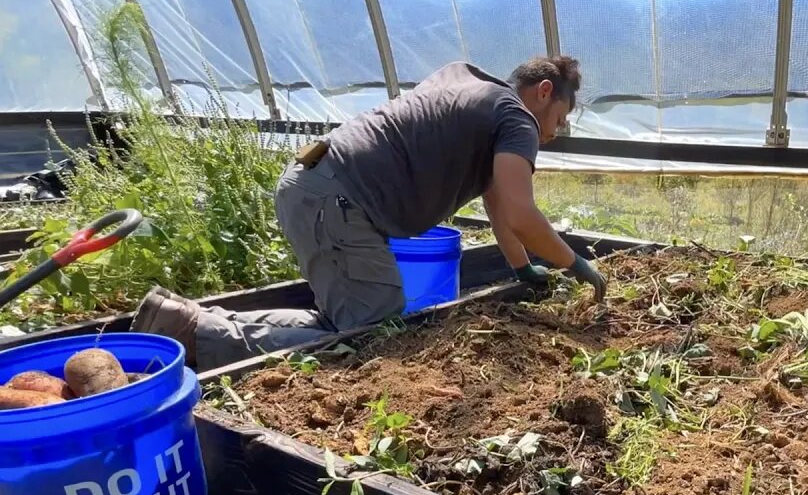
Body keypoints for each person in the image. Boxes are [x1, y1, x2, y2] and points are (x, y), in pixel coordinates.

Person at [130, 55, 605, 370]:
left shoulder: (476, 92)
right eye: (559, 120)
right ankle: (194, 336)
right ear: (544, 91)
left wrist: (523, 267)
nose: (552, 133)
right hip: (336, 200)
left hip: (319, 187)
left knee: (356, 323)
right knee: (373, 334)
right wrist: (577, 265)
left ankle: (185, 322)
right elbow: (523, 212)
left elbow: (501, 206)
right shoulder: (516, 117)